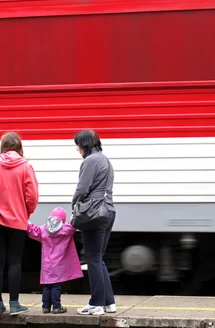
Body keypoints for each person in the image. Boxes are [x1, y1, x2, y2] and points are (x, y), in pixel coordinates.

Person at [0, 132, 39, 316]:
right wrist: (26, 212)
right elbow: (32, 196)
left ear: (3, 146)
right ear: (19, 146)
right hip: (17, 221)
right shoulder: (25, 166)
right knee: (15, 261)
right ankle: (14, 304)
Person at [71, 129, 116, 316]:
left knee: (92, 259)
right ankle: (109, 302)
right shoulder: (105, 159)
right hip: (108, 211)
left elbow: (82, 189)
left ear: (85, 145)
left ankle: (96, 303)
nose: (77, 150)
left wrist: (74, 205)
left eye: (78, 145)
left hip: (94, 214)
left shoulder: (90, 161)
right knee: (98, 258)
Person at [27, 207, 83, 314]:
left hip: (47, 264)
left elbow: (32, 231)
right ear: (62, 219)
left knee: (47, 286)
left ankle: (45, 307)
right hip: (59, 264)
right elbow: (73, 223)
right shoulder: (65, 229)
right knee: (56, 286)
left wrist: (27, 219)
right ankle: (56, 306)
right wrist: (75, 212)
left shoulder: (43, 229)